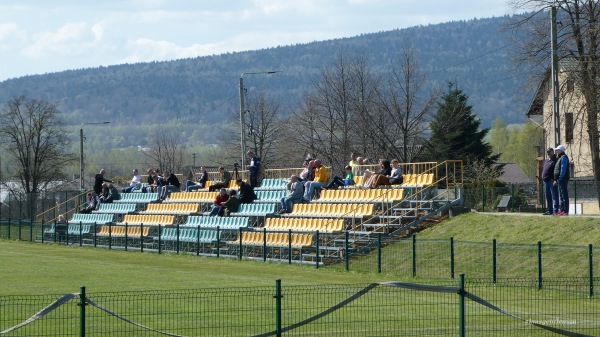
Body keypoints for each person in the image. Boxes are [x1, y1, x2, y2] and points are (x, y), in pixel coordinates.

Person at [553, 145, 570, 216]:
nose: (557, 152)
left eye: (558, 150)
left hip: (562, 179)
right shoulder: (559, 158)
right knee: (561, 196)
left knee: (564, 195)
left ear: (562, 151)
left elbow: (563, 169)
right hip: (559, 179)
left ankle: (565, 211)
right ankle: (562, 210)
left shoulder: (564, 158)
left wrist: (560, 177)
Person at [542, 148, 559, 215]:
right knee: (548, 196)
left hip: (551, 181)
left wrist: (555, 179)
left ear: (552, 152)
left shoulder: (555, 160)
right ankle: (549, 210)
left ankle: (555, 210)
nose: (548, 153)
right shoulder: (546, 161)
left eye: (549, 152)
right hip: (545, 181)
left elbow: (556, 170)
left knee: (554, 196)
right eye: (547, 152)